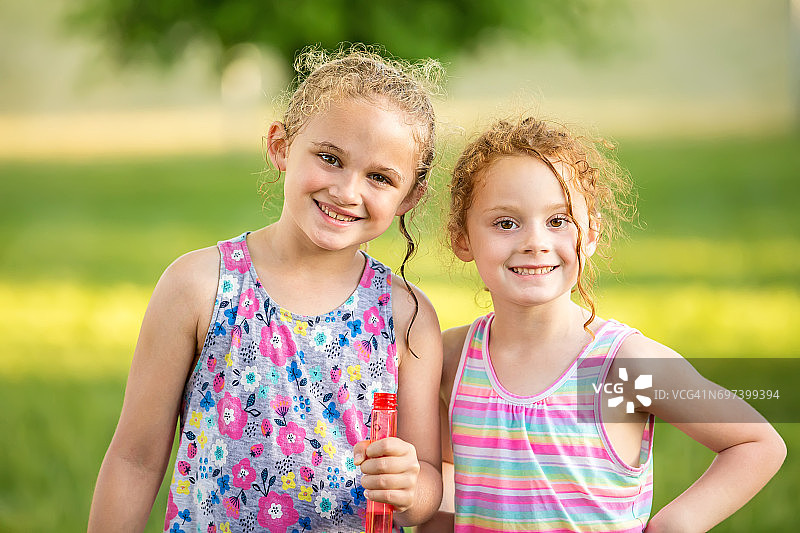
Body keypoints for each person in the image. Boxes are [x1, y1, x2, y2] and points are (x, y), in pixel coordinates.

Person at [88, 45, 444, 533]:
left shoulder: (406, 316)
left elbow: (427, 483)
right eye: (329, 158)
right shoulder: (200, 286)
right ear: (281, 146)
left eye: (380, 177)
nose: (347, 191)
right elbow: (135, 459)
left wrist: (409, 487)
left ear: (410, 196)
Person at [418, 117, 786, 532]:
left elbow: (755, 442)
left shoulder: (622, 367)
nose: (535, 242)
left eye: (558, 221)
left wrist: (676, 524)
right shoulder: (453, 359)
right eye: (506, 223)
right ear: (462, 238)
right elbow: (443, 475)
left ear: (591, 232)